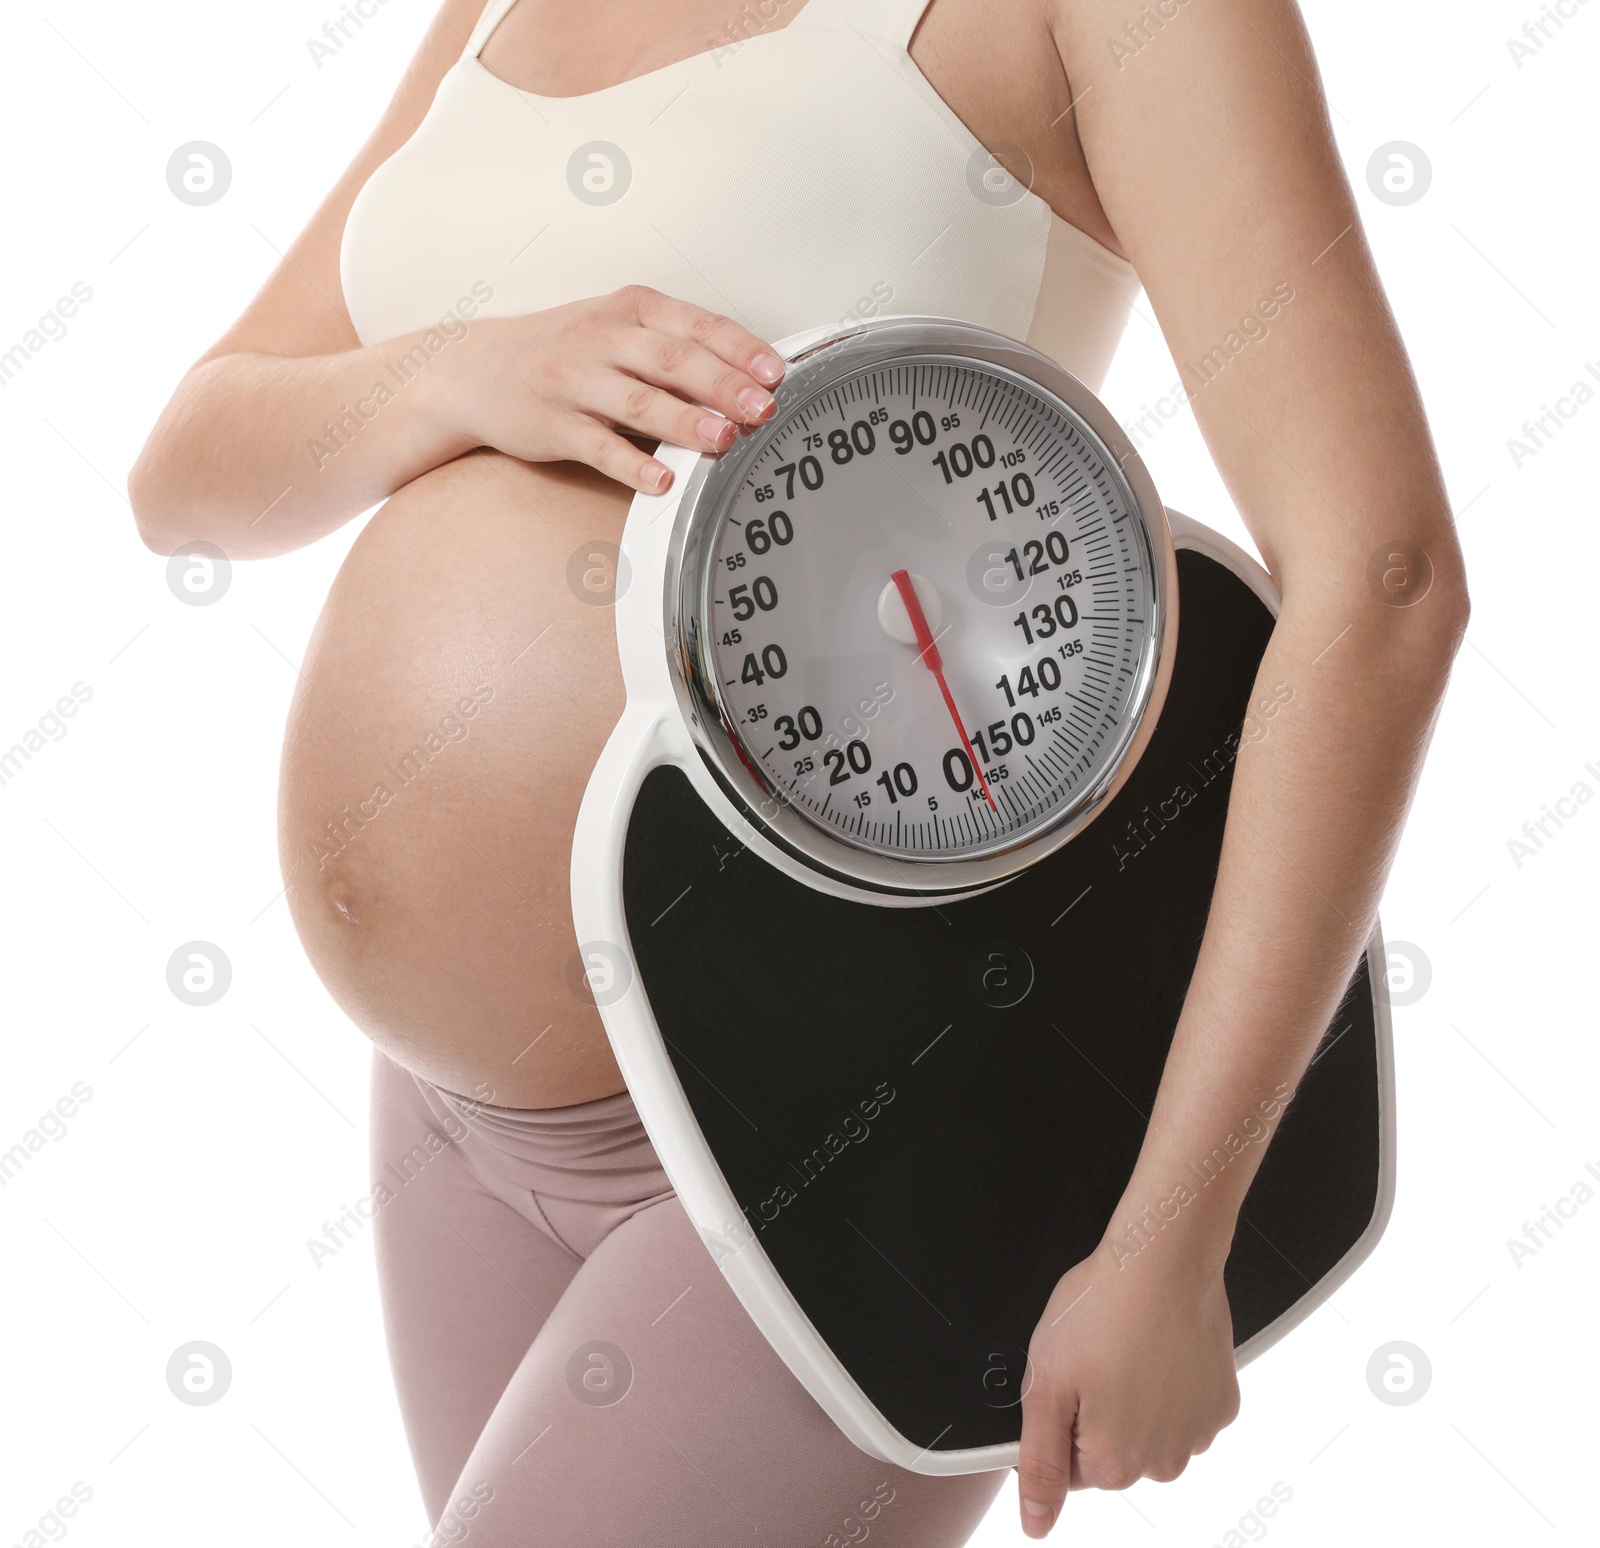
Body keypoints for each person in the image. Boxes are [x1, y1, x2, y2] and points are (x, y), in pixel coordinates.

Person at [127, 0, 1468, 1541]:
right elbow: (187, 469)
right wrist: (451, 375)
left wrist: (1176, 1233)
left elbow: (1385, 581)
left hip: (857, 1097)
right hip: (460, 1111)